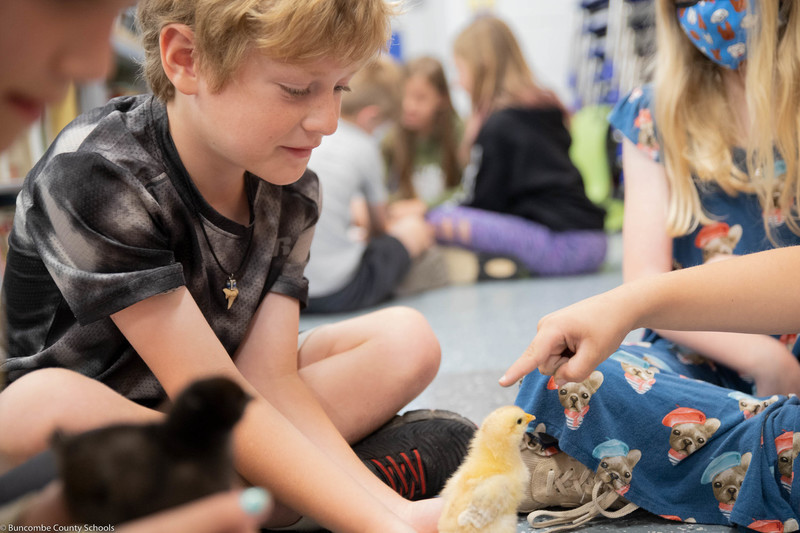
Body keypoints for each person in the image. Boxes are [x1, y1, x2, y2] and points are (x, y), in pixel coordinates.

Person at [0, 1, 477, 532]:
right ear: (186, 60)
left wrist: (394, 514)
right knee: (41, 403)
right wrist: (378, 520)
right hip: (100, 432)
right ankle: (277, 495)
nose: (328, 121)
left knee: (406, 340)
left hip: (214, 416)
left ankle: (267, 493)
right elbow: (203, 381)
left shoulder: (293, 188)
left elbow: (268, 380)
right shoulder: (97, 173)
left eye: (339, 87)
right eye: (297, 89)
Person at [503, 1, 800, 530]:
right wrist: (760, 356)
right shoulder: (652, 111)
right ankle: (769, 451)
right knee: (571, 375)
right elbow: (645, 282)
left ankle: (624, 473)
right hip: (699, 352)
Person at [426, 15, 607, 279]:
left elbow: (483, 204)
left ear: (481, 68)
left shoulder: (498, 125)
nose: (458, 82)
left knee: (436, 220)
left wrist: (428, 211)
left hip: (561, 247)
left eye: (460, 70)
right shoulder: (545, 107)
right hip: (594, 240)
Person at [303, 57, 446, 313]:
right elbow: (379, 228)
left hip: (296, 292)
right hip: (340, 291)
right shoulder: (364, 146)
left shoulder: (312, 137)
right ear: (371, 116)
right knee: (413, 229)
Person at [381, 56, 464, 216]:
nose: (409, 106)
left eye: (420, 98)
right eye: (404, 96)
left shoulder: (460, 134)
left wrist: (425, 205)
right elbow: (377, 192)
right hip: (409, 221)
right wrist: (395, 204)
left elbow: (469, 190)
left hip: (450, 220)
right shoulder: (391, 139)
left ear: (442, 99)